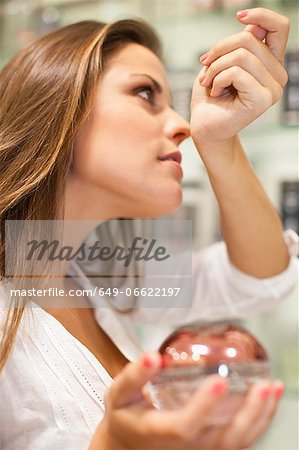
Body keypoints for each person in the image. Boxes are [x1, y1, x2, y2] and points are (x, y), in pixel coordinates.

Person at [0, 6, 297, 450]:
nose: (182, 126)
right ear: (57, 106)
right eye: (145, 94)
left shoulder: (101, 276)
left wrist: (220, 142)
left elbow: (260, 277)